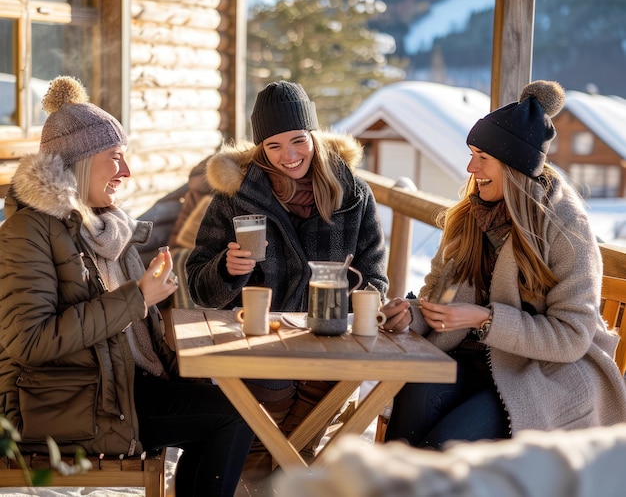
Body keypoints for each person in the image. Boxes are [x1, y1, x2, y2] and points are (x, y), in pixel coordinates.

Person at [0, 76, 253, 497]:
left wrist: (151, 300)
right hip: (65, 405)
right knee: (233, 416)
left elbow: (120, 322)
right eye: (114, 157)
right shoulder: (27, 232)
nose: (127, 171)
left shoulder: (106, 225)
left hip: (114, 384)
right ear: (79, 162)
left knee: (229, 399)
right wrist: (136, 298)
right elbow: (30, 341)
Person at [380, 79, 626, 450]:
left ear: (513, 166)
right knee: (407, 421)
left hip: (541, 373)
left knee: (442, 448)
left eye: (482, 157)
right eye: (471, 153)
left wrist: (483, 318)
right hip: (466, 357)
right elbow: (438, 294)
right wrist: (413, 312)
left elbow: (572, 335)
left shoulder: (564, 225)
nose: (470, 167)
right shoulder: (468, 216)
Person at [185, 80, 389, 470]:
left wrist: (350, 299)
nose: (289, 156)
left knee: (319, 404)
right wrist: (226, 271)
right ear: (261, 147)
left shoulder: (354, 195)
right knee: (270, 408)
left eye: (298, 140)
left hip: (329, 342)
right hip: (259, 345)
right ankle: (278, 475)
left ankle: (276, 474)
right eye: (274, 146)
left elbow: (375, 279)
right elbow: (198, 286)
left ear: (313, 134)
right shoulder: (236, 196)